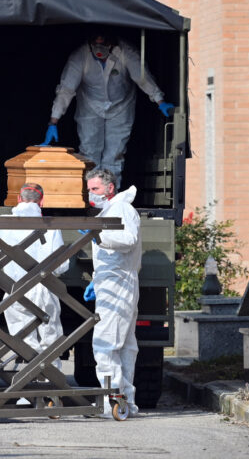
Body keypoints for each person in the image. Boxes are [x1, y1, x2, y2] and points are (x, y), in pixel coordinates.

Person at [43, 32, 174, 186]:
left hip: (121, 106)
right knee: (89, 153)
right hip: (90, 105)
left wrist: (160, 100)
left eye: (103, 44)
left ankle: (110, 198)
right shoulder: (80, 56)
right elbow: (66, 89)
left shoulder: (127, 52)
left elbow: (142, 78)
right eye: (95, 44)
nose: (99, 49)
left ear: (112, 43)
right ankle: (92, 198)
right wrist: (54, 121)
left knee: (114, 155)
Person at [82, 168, 142, 417]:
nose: (91, 195)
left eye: (94, 189)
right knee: (125, 345)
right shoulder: (111, 210)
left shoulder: (123, 209)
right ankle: (126, 401)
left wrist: (98, 237)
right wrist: (96, 279)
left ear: (110, 188)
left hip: (118, 284)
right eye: (88, 190)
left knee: (106, 342)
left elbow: (128, 240)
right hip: (113, 282)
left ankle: (113, 400)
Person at [0, 183, 69, 368]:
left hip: (14, 288)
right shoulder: (50, 226)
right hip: (43, 288)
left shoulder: (1, 223)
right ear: (41, 201)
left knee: (23, 343)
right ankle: (50, 385)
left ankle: (27, 391)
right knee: (50, 343)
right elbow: (61, 266)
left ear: (18, 199)